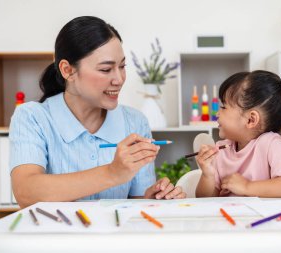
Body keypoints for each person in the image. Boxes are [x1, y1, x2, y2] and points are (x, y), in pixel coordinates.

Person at [10, 16, 185, 208]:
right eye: (106, 69)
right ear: (67, 70)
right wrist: (112, 173)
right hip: (56, 237)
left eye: (122, 66)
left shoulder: (135, 122)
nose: (119, 79)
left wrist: (152, 200)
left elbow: (136, 204)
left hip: (115, 238)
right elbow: (25, 192)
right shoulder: (33, 117)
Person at [195, 70, 281, 198]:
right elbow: (205, 200)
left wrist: (246, 186)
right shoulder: (221, 149)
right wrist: (207, 175)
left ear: (251, 120)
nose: (217, 114)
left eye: (224, 107)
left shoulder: (269, 144)